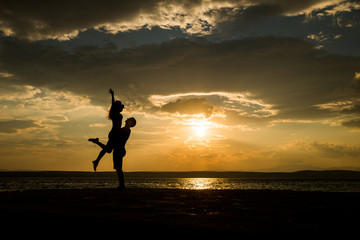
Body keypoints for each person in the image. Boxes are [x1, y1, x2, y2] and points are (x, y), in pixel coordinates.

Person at [90, 117, 136, 190]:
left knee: (118, 168)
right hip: (118, 149)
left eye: (129, 119)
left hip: (119, 150)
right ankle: (122, 185)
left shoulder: (126, 130)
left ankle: (122, 185)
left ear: (130, 123)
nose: (127, 119)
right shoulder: (124, 129)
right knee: (117, 166)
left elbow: (118, 134)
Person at [88, 88, 124, 171]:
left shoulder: (117, 115)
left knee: (107, 150)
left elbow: (113, 105)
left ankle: (96, 160)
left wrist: (112, 95)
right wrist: (112, 96)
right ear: (117, 108)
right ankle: (96, 157)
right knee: (108, 150)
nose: (122, 109)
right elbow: (112, 105)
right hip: (114, 134)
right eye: (120, 107)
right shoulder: (115, 115)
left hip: (115, 134)